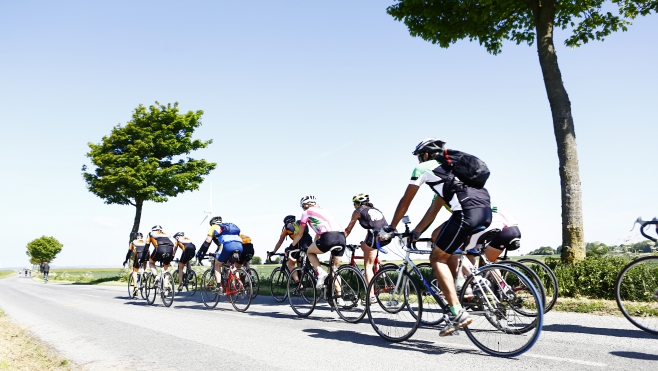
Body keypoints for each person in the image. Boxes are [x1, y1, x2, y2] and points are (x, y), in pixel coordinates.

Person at [385, 138, 492, 336]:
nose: (418, 160)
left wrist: (391, 228)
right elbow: (433, 211)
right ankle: (469, 288)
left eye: (419, 156)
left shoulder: (424, 168)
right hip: (485, 212)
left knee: (436, 258)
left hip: (465, 213)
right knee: (443, 244)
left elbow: (404, 202)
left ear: (425, 154)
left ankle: (457, 313)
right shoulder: (455, 170)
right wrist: (417, 232)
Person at [291, 195, 346, 289]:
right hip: (341, 237)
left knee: (309, 251)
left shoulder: (306, 213)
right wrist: (315, 243)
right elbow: (318, 233)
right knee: (334, 270)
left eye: (303, 206)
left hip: (328, 237)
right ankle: (339, 298)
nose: (303, 208)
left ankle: (320, 273)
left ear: (306, 205)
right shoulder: (324, 211)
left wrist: (292, 246)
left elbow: (300, 234)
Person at [344, 193, 389, 300]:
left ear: (358, 203)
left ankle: (371, 295)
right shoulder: (376, 210)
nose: (354, 205)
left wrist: (340, 239)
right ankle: (377, 269)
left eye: (355, 203)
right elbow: (373, 228)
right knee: (366, 246)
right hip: (387, 234)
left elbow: (348, 230)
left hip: (376, 236)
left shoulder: (357, 211)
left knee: (367, 266)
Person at [200, 216, 243, 286]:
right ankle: (239, 286)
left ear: (212, 224)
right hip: (240, 246)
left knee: (217, 264)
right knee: (233, 266)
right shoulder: (228, 227)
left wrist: (201, 253)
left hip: (227, 246)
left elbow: (207, 241)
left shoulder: (214, 227)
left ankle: (219, 286)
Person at [269, 215, 313, 283]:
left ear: (286, 222)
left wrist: (274, 251)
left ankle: (298, 283)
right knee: (299, 260)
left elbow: (280, 241)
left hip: (298, 244)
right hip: (309, 242)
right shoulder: (300, 225)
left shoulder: (287, 227)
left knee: (290, 264)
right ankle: (301, 276)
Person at [123, 232, 147, 297]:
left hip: (139, 256)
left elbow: (129, 253)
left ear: (135, 237)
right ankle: (145, 272)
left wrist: (126, 260)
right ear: (141, 237)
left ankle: (135, 287)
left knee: (135, 271)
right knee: (145, 260)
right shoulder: (145, 241)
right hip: (146, 255)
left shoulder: (133, 242)